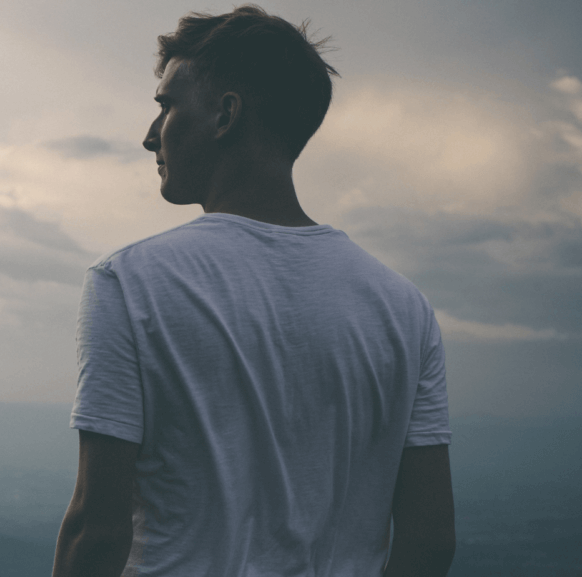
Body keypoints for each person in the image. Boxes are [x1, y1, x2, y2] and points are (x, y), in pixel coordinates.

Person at [51, 5, 456, 577]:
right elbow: (430, 539)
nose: (149, 137)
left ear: (225, 115)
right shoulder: (403, 308)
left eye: (166, 107)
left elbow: (97, 529)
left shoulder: (129, 282)